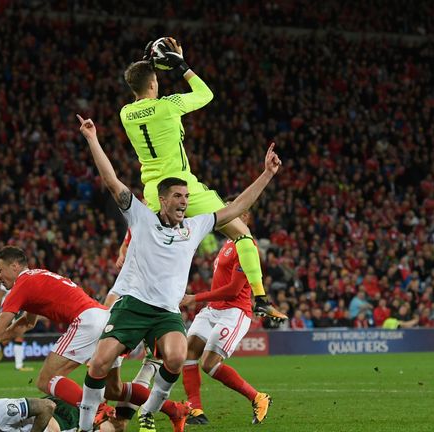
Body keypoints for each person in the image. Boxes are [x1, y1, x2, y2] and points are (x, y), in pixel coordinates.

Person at [75, 115, 281, 431]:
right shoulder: (141, 217)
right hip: (133, 307)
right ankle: (85, 425)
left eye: (186, 197)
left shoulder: (194, 227)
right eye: (178, 197)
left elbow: (237, 207)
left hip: (166, 313)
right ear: (163, 199)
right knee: (100, 363)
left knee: (176, 357)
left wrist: (267, 174)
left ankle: (154, 410)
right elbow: (111, 180)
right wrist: (92, 139)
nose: (184, 203)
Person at [119, 37, 286, 322]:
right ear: (153, 84)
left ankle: (140, 325)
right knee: (242, 234)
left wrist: (152, 63)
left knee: (156, 258)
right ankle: (260, 297)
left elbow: (143, 82)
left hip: (152, 192)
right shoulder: (168, 106)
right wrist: (180, 64)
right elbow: (205, 93)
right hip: (183, 189)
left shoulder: (126, 114)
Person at [0, 247, 188, 431]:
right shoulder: (36, 277)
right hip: (106, 319)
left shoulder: (20, 286)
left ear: (15, 266)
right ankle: (174, 409)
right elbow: (26, 323)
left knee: (46, 380)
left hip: (86, 321)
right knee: (114, 389)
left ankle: (99, 411)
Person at [179, 206, 272, 426]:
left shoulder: (248, 246)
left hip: (234, 312)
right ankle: (195, 409)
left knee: (209, 363)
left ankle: (258, 397)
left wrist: (196, 297)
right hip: (213, 309)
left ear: (245, 217)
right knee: (189, 349)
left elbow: (232, 289)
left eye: (234, 214)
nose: (227, 219)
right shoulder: (227, 245)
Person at [0, 285, 34, 372]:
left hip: (15, 307)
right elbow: (0, 294)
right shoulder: (9, 277)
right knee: (18, 334)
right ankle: (19, 366)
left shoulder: (20, 278)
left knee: (7, 339)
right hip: (11, 308)